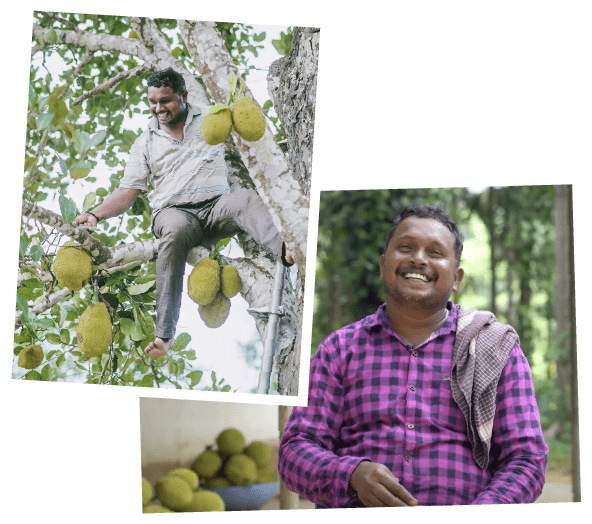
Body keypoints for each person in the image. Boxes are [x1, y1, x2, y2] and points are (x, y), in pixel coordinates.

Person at [278, 204, 548, 507]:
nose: (418, 259)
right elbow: (295, 451)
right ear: (383, 266)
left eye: (435, 253)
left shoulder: (496, 348)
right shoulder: (339, 349)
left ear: (456, 278)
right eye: (406, 247)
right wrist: (351, 474)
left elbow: (526, 459)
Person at [74, 68, 293, 358]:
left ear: (184, 96)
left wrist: (237, 99)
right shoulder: (145, 142)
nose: (158, 108)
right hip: (174, 212)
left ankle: (287, 249)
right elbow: (127, 192)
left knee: (247, 200)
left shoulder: (209, 118)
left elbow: (249, 130)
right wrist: (96, 214)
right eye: (152, 102)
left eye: (165, 101)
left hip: (216, 207)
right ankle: (165, 335)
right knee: (174, 234)